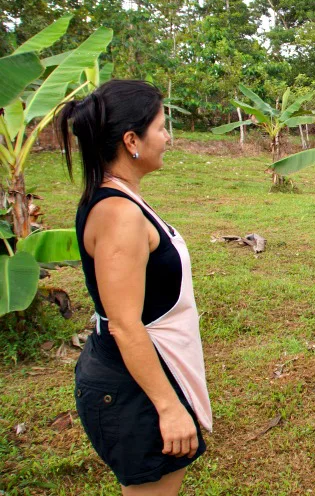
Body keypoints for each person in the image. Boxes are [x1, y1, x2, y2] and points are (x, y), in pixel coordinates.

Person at [57, 80, 212, 494]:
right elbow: (125, 324)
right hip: (131, 388)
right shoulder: (118, 215)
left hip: (141, 374)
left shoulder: (120, 197)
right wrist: (168, 407)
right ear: (131, 140)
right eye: (161, 128)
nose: (167, 138)